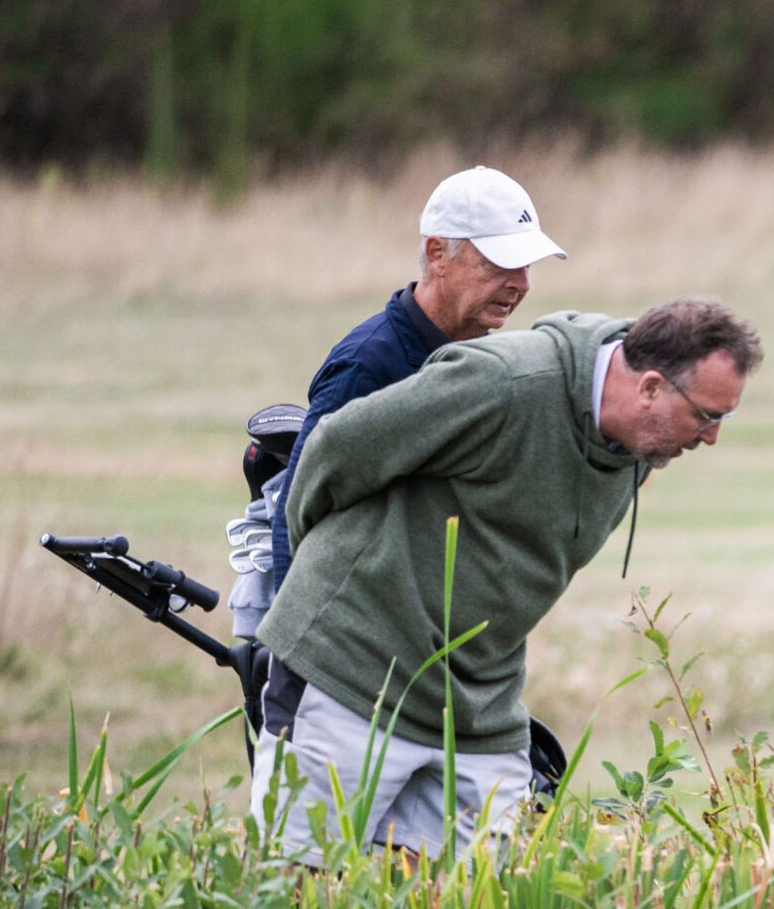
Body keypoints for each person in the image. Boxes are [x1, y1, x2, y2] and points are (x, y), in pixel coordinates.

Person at [249, 297, 761, 861]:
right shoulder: (503, 381)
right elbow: (335, 451)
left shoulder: (641, 442)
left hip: (477, 703)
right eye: (708, 416)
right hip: (350, 672)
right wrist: (326, 586)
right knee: (296, 888)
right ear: (650, 388)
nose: (711, 437)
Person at [225, 165, 568, 642]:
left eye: (526, 266)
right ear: (437, 253)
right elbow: (295, 510)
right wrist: (294, 661)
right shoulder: (369, 365)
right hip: (348, 646)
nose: (523, 283)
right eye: (500, 264)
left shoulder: (479, 353)